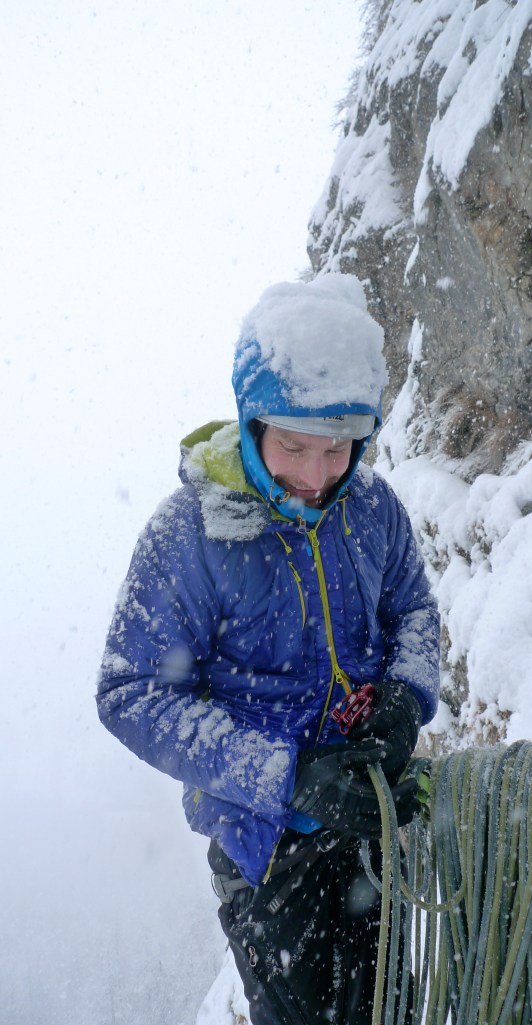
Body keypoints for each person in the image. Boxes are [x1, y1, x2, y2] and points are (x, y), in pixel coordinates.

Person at [97, 273, 440, 1025]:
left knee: (391, 1008)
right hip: (264, 850)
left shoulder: (373, 508)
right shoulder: (188, 533)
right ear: (253, 424)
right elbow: (129, 693)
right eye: (293, 446)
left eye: (339, 448)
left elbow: (413, 609)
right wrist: (285, 775)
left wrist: (402, 700)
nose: (317, 477)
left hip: (369, 822)